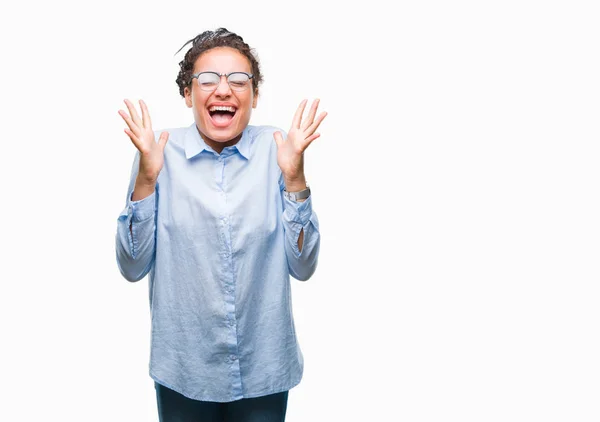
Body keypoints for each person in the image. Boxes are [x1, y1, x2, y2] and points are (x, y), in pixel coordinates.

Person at [115, 27, 326, 422]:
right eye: (208, 79)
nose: (223, 90)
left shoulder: (279, 149)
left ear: (255, 95)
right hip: (185, 369)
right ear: (187, 93)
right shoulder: (157, 151)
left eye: (239, 80)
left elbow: (304, 267)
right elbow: (131, 267)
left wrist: (295, 177)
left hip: (264, 365)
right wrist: (146, 179)